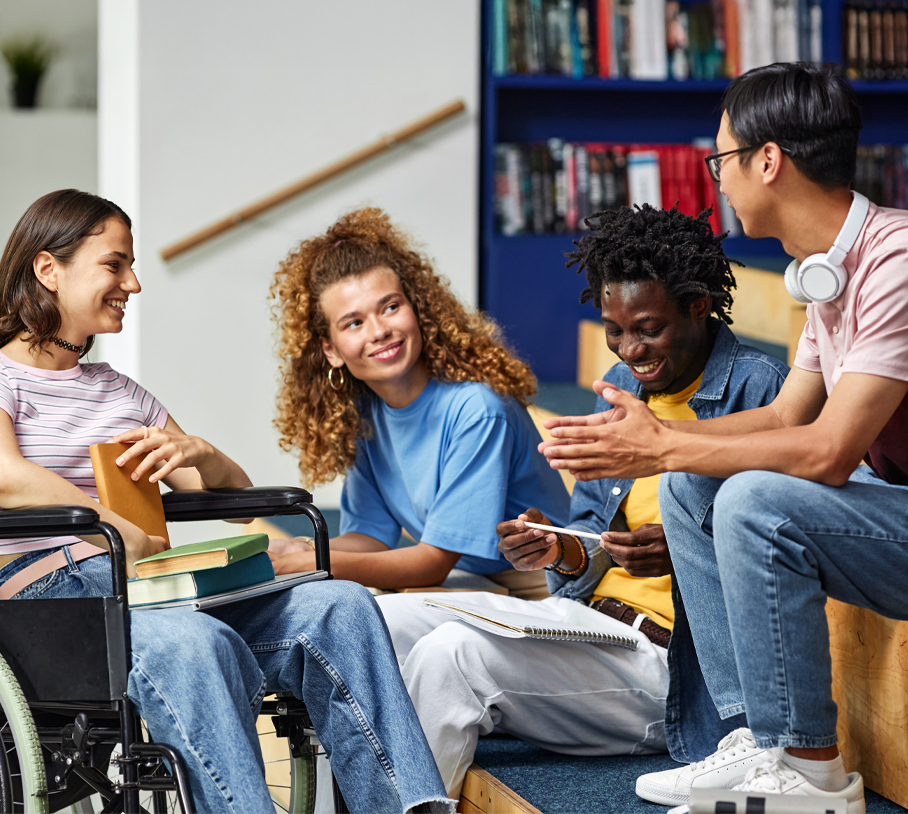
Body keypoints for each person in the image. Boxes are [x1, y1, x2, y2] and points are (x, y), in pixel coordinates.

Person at [0, 189, 452, 814]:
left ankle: (407, 807)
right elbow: (7, 478)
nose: (132, 282)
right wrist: (113, 527)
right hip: (52, 605)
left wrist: (198, 454)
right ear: (49, 269)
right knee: (195, 644)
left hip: (145, 591)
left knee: (338, 606)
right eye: (115, 264)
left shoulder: (120, 391)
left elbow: (232, 500)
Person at [541, 63, 907, 814]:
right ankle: (750, 736)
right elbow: (782, 419)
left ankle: (811, 773)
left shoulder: (894, 263)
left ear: (767, 160)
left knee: (752, 500)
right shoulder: (824, 273)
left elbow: (828, 450)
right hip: (889, 507)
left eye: (722, 161)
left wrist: (663, 444)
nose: (719, 184)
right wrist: (657, 444)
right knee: (692, 484)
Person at [374, 204, 788, 799]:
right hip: (591, 624)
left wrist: (681, 551)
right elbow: (590, 533)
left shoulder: (763, 392)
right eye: (614, 330)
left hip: (670, 664)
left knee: (451, 655)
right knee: (376, 620)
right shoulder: (620, 390)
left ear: (699, 306)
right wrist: (560, 547)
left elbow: (788, 541)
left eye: (648, 327)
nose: (629, 350)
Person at [267, 207, 570, 595]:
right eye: (354, 323)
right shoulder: (364, 414)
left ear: (417, 309)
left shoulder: (477, 409)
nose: (379, 331)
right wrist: (299, 549)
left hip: (542, 585)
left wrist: (316, 561)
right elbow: (369, 537)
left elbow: (431, 564)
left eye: (391, 307)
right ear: (331, 349)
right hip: (471, 578)